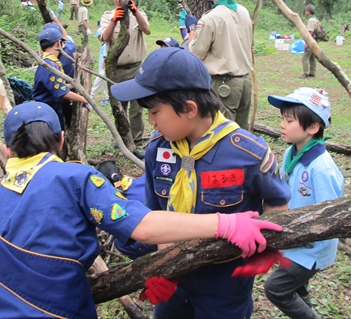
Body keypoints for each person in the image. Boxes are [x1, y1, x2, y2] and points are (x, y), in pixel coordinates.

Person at [0, 101, 283, 318]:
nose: (152, 121)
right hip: (58, 311)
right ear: (61, 140)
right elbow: (141, 225)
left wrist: (165, 265)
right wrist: (226, 225)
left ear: (8, 150)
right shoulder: (77, 179)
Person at [111, 47, 292, 319]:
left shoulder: (248, 153)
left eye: (156, 112)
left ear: (189, 109)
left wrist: (269, 246)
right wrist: (161, 269)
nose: (151, 121)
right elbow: (157, 215)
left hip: (225, 281)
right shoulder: (157, 151)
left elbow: (277, 202)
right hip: (175, 277)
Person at [264, 87, 344, 319]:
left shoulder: (321, 169)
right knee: (296, 288)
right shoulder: (291, 153)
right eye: (282, 119)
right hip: (295, 240)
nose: (282, 125)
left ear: (312, 128)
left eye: (289, 120)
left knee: (276, 289)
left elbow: (331, 216)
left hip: (311, 247)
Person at [189, 0, 254, 128]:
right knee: (241, 131)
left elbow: (196, 54)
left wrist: (192, 33)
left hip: (225, 84)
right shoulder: (244, 12)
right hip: (245, 81)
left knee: (222, 131)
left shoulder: (210, 18)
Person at [100, 0, 151, 158]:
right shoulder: (108, 16)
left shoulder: (139, 14)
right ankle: (122, 139)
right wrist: (114, 21)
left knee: (137, 107)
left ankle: (136, 140)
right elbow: (104, 38)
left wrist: (134, 11)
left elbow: (147, 30)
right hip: (116, 69)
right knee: (119, 105)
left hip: (136, 68)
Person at [32, 27, 88, 131]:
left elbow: (56, 86)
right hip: (47, 111)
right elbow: (62, 92)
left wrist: (73, 85)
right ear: (58, 43)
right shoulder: (49, 66)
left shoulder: (48, 61)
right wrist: (86, 100)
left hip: (49, 108)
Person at [90, 28, 110, 105]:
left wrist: (102, 69)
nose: (98, 38)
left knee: (97, 82)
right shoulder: (103, 44)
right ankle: (108, 97)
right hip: (103, 69)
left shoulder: (106, 45)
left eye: (99, 36)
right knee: (105, 83)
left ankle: (91, 96)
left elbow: (105, 58)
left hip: (104, 69)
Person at [300, 4, 320, 79]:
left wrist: (307, 43)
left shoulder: (311, 20)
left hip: (311, 41)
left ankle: (306, 73)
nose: (305, 12)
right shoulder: (316, 19)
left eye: (306, 10)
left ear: (308, 11)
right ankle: (312, 73)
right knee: (312, 57)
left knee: (304, 57)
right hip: (315, 41)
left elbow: (310, 32)